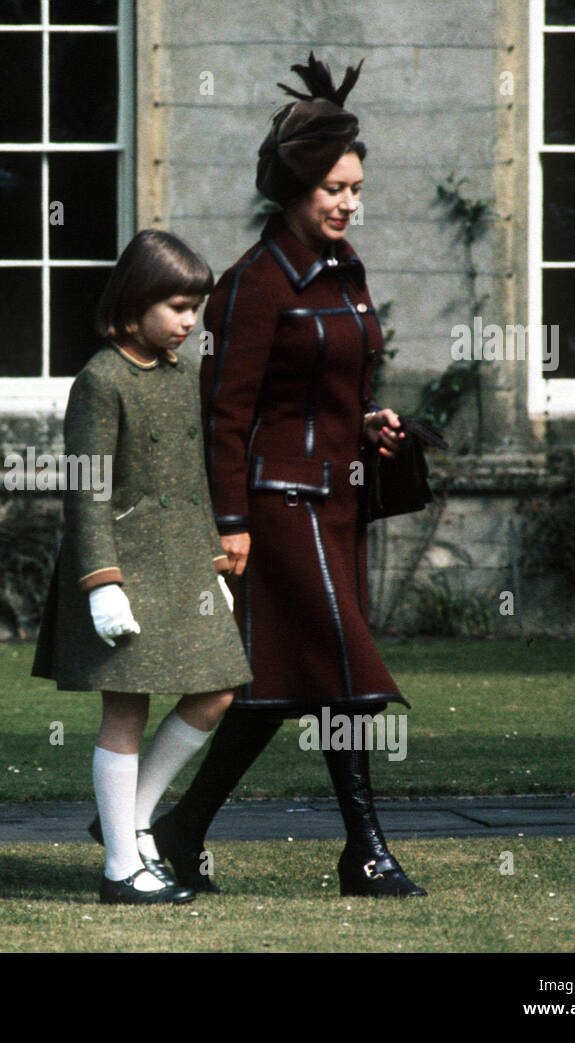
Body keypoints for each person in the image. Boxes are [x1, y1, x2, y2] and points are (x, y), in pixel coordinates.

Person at [152, 53, 426, 898]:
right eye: (332, 188)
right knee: (344, 669)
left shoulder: (349, 273)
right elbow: (224, 414)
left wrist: (375, 420)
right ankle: (365, 852)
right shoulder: (253, 284)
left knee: (280, 680)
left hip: (338, 506)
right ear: (294, 189)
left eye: (355, 188)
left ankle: (181, 826)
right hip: (275, 506)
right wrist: (228, 523)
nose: (347, 203)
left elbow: (345, 382)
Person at [33, 230, 252, 905]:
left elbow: (192, 478)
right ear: (133, 304)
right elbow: (86, 489)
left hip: (185, 565)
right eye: (178, 306)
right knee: (125, 710)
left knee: (217, 689)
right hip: (122, 571)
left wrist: (213, 559)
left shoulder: (184, 373)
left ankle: (127, 820)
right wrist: (102, 583)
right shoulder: (100, 380)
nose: (190, 321)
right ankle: (120, 869)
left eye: (196, 307)